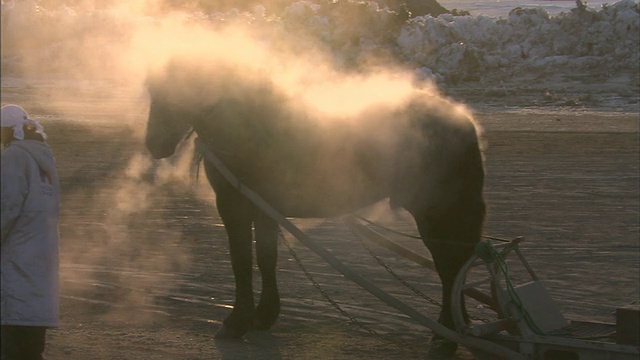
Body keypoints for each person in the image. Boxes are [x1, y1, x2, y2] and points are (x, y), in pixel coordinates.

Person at [1, 104, 61, 360]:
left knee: (13, 322)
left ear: (8, 130)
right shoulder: (44, 158)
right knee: (32, 321)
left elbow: (7, 205)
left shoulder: (14, 156)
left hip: (18, 248)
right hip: (42, 247)